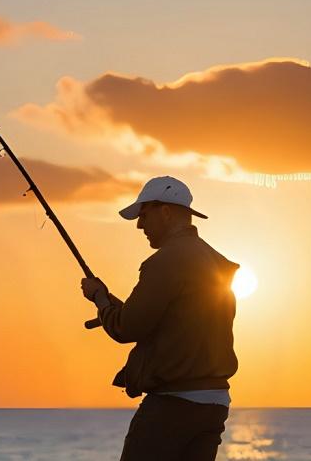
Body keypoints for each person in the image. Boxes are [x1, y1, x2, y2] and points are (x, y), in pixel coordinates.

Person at [81, 176, 239, 461]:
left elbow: (126, 328)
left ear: (165, 211)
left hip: (174, 404)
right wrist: (111, 305)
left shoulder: (167, 261)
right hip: (214, 403)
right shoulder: (213, 260)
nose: (140, 225)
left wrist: (99, 298)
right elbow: (174, 319)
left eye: (143, 215)